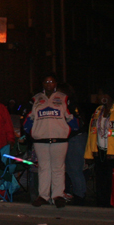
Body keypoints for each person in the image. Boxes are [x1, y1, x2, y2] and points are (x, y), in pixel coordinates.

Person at [23, 74, 77, 208]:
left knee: (58, 168)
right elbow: (28, 119)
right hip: (40, 140)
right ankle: (43, 196)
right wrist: (32, 132)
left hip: (60, 139)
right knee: (43, 168)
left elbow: (71, 117)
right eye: (46, 81)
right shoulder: (35, 99)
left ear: (55, 84)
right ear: (42, 83)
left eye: (51, 81)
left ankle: (58, 195)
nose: (48, 84)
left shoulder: (63, 98)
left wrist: (68, 130)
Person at [84, 89, 114, 207]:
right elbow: (91, 133)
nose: (99, 96)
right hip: (100, 153)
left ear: (108, 95)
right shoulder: (98, 111)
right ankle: (102, 207)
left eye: (101, 94)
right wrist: (89, 154)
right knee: (101, 184)